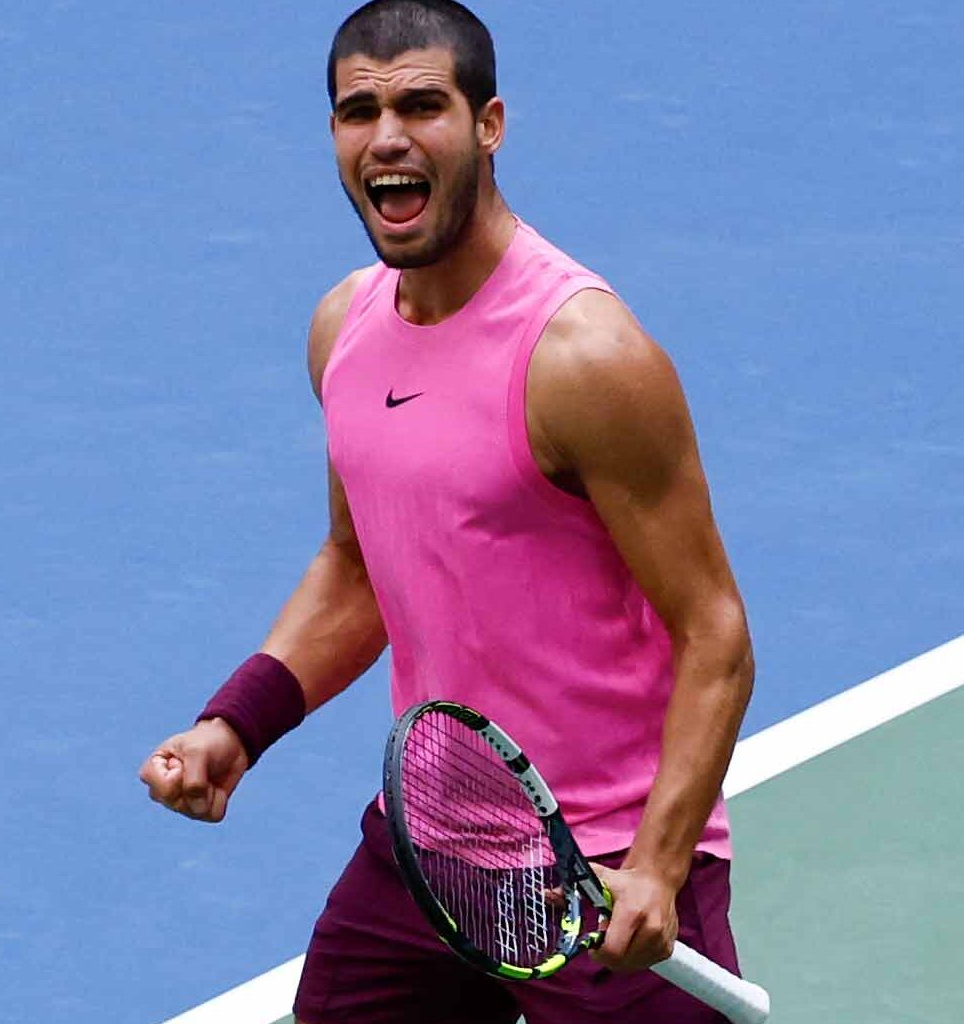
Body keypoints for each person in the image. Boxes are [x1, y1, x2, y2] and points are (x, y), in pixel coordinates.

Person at [139, 2, 755, 1020]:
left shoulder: (584, 359)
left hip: (597, 872)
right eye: (358, 111)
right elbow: (357, 567)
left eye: (423, 104)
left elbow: (716, 634)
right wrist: (235, 725)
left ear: (489, 124)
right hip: (430, 856)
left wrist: (657, 862)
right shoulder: (344, 332)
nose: (387, 137)